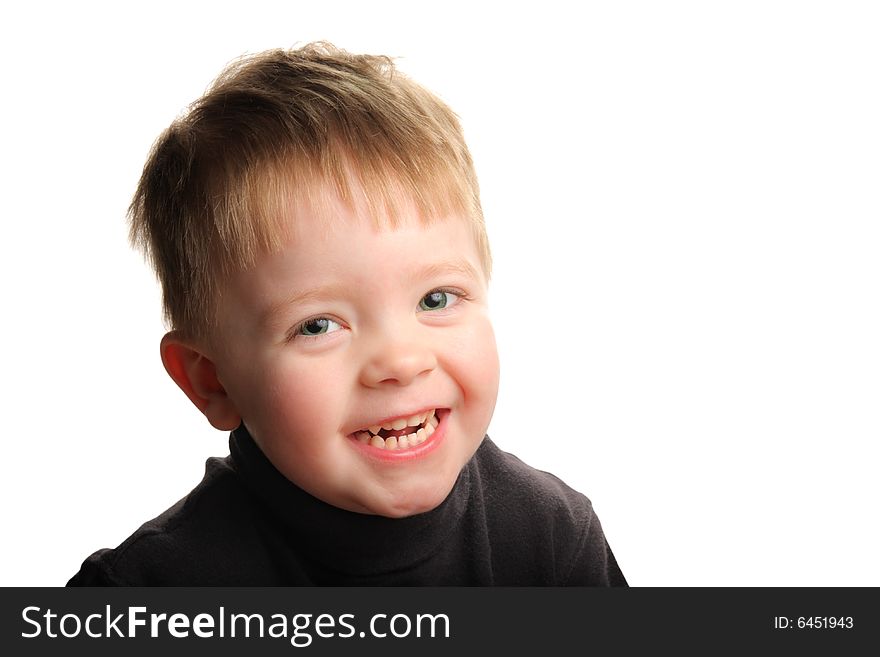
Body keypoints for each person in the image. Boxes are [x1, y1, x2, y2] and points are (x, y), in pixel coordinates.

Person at [68, 42, 626, 586]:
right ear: (211, 380)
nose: (401, 362)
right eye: (318, 326)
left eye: (435, 299)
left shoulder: (552, 541)